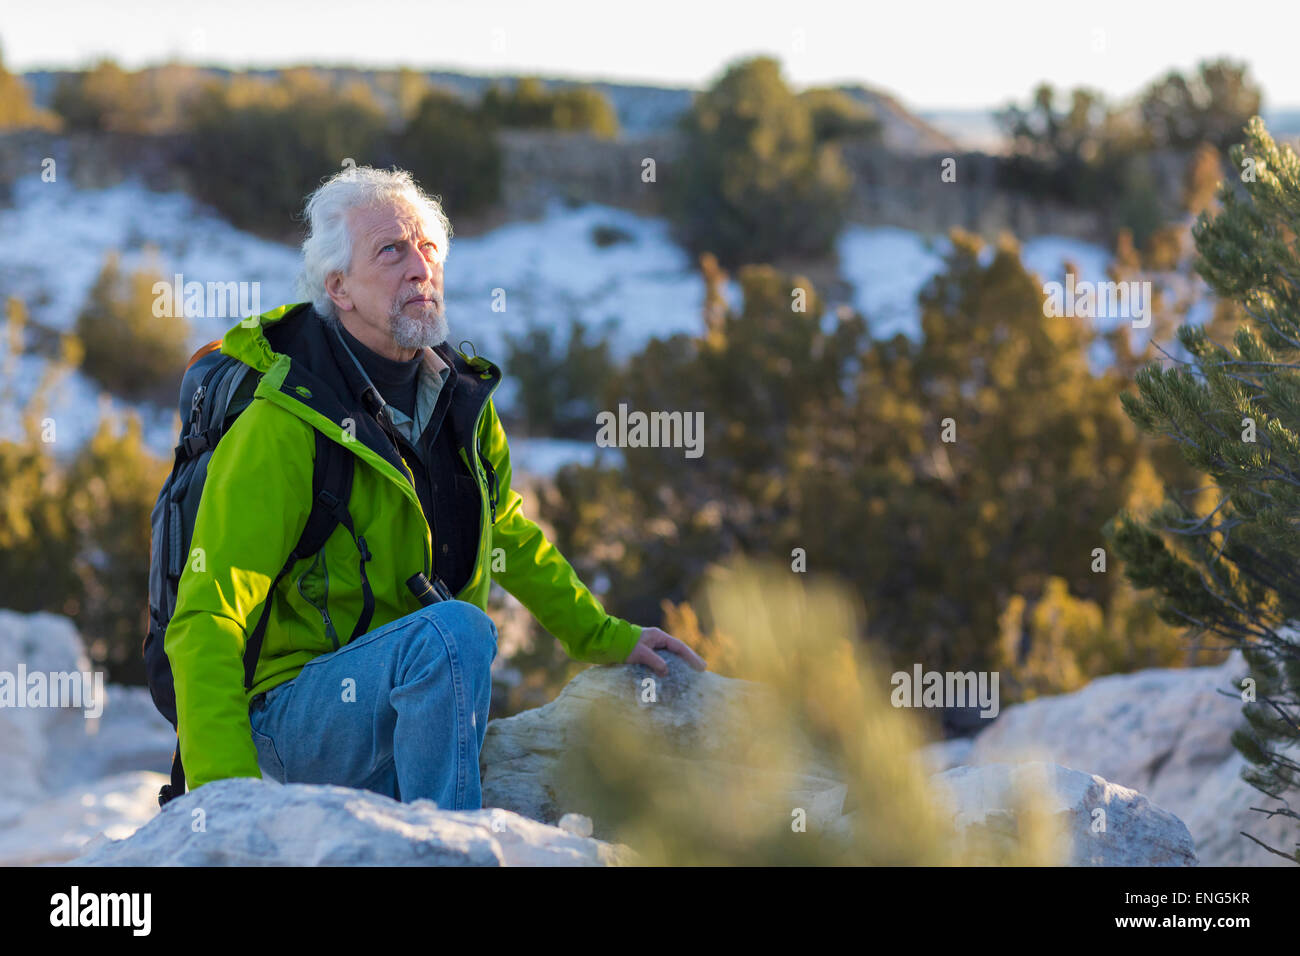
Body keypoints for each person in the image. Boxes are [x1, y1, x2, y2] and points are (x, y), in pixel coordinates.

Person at [165, 165, 706, 810]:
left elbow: (508, 534)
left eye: (427, 248)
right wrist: (225, 795)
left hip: (403, 708)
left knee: (454, 635)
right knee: (456, 632)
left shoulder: (461, 403)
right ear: (338, 286)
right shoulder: (283, 423)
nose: (419, 268)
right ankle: (444, 847)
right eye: (391, 251)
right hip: (290, 722)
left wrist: (606, 636)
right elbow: (209, 613)